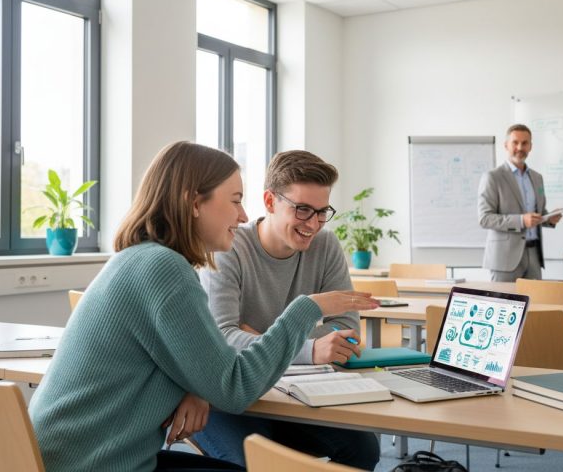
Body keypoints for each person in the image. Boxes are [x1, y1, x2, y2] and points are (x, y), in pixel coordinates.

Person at [28, 142, 377, 472]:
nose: (243, 215)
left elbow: (198, 359)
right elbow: (234, 387)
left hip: (77, 458)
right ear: (195, 203)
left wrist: (198, 383)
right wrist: (306, 309)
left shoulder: (141, 259)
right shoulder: (164, 269)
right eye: (235, 200)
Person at [192, 150, 380, 470]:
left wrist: (259, 337)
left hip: (294, 392)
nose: (314, 224)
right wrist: (310, 349)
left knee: (363, 448)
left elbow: (345, 331)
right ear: (270, 202)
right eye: (303, 209)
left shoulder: (326, 246)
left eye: (322, 211)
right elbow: (223, 340)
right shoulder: (228, 246)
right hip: (228, 400)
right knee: (249, 464)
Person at [478, 124, 563, 282]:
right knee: (504, 299)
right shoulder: (493, 177)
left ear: (530, 146)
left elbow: (538, 213)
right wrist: (521, 220)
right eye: (515, 142)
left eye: (525, 143)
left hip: (534, 256)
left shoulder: (537, 178)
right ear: (506, 145)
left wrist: (549, 219)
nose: (520, 147)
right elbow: (485, 219)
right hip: (504, 259)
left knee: (534, 299)